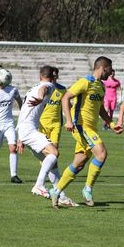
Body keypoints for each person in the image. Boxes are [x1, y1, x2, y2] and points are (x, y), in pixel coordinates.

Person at [49, 56, 123, 209]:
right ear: (103, 68)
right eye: (109, 69)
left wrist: (111, 123)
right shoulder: (85, 82)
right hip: (81, 126)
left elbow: (101, 109)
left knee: (79, 163)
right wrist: (69, 121)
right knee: (101, 153)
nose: (110, 73)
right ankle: (87, 189)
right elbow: (65, 98)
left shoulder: (101, 87)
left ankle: (56, 191)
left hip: (91, 128)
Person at [37, 67, 78, 207]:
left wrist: (70, 119)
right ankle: (59, 193)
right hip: (41, 125)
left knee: (53, 157)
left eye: (55, 77)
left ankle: (59, 193)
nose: (54, 79)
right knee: (49, 159)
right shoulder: (42, 89)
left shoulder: (62, 90)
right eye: (52, 77)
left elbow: (68, 105)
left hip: (55, 126)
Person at [16, 65, 59, 199]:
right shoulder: (49, 85)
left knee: (52, 161)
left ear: (40, 76)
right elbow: (44, 88)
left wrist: (19, 137)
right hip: (28, 129)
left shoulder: (31, 89)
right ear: (53, 77)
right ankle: (39, 185)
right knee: (54, 153)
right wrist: (41, 97)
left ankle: (61, 196)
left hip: (24, 129)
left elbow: (24, 111)